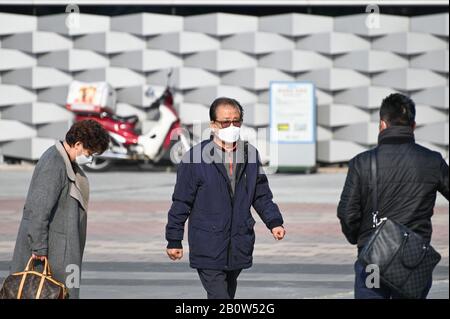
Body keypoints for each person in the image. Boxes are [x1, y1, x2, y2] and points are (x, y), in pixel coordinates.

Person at [165, 97, 286, 299]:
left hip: (238, 242)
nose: (232, 126)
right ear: (213, 125)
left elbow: (261, 194)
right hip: (208, 244)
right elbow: (181, 202)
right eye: (225, 122)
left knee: (226, 296)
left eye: (236, 121)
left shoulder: (249, 155)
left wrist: (274, 222)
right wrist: (174, 240)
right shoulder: (195, 158)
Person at [337, 93, 449, 299]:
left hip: (374, 261)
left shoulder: (362, 162)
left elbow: (347, 212)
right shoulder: (432, 160)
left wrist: (360, 240)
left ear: (382, 124)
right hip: (413, 262)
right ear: (413, 126)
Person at [10, 120, 110, 299]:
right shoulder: (54, 163)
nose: (90, 158)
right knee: (50, 293)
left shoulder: (65, 162)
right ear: (78, 144)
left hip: (61, 249)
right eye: (90, 153)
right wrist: (39, 247)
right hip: (51, 253)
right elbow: (38, 208)